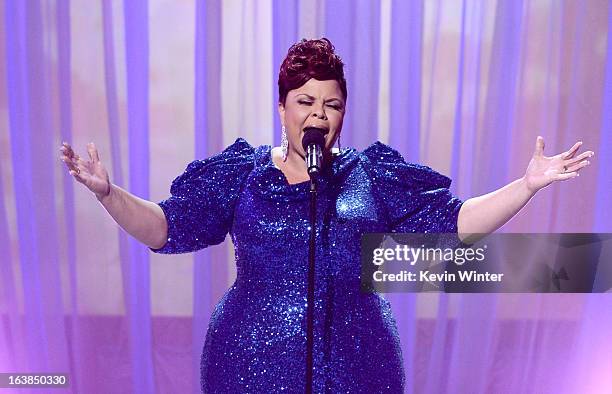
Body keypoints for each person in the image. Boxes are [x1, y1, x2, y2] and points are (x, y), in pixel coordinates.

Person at [59, 38, 594, 393]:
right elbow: (166, 227)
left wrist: (526, 186)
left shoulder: (371, 175)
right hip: (249, 360)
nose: (318, 115)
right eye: (304, 101)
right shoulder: (243, 173)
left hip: (359, 361)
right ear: (282, 108)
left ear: (343, 112)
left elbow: (455, 225)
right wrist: (109, 193)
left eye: (331, 104)